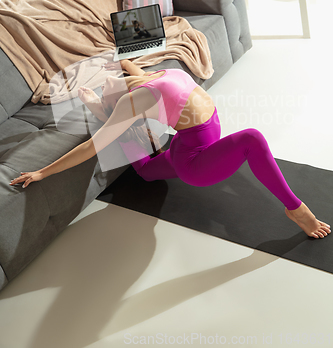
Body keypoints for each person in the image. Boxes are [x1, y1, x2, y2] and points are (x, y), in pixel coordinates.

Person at [10, 59, 331, 239]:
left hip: (187, 146)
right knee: (253, 139)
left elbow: (129, 68)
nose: (102, 82)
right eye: (101, 92)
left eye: (104, 83)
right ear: (115, 103)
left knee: (148, 171)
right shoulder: (133, 99)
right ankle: (294, 208)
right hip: (196, 163)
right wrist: (42, 171)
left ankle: (121, 133)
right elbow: (94, 147)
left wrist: (120, 62)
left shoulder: (147, 76)